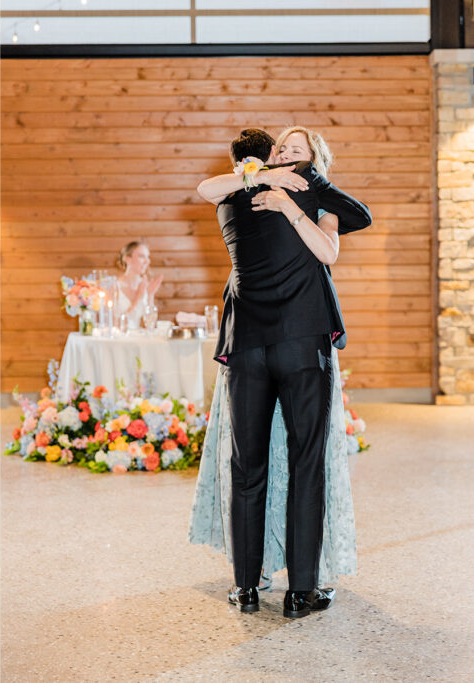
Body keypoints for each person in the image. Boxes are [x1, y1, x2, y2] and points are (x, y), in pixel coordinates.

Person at [191, 128, 371, 618]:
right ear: (269, 157)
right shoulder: (299, 187)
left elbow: (208, 189)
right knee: (305, 464)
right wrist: (301, 183)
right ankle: (301, 593)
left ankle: (247, 588)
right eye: (281, 150)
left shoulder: (232, 196)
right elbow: (363, 215)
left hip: (247, 347)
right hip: (299, 342)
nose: (285, 155)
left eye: (296, 150)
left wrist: (289, 188)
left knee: (246, 469)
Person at [116, 241, 163, 330]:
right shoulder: (115, 286)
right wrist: (139, 297)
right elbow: (117, 324)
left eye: (148, 257)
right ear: (127, 259)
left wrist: (150, 295)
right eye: (142, 256)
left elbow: (151, 326)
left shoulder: (145, 285)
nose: (147, 261)